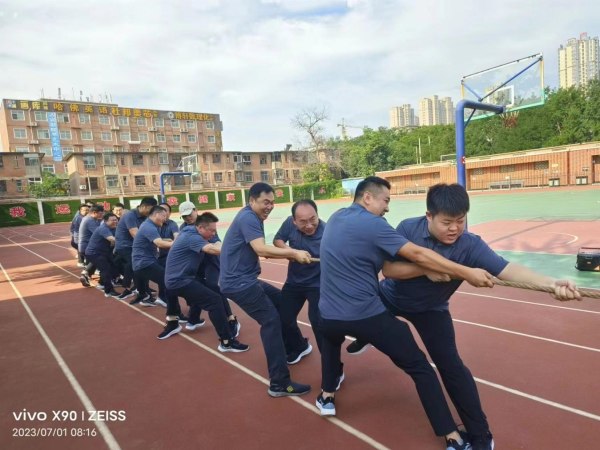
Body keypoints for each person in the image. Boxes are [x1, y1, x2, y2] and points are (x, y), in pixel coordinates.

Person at [347, 183, 581, 450]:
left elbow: (507, 269)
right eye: (447, 222)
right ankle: (365, 335)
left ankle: (480, 434)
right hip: (390, 298)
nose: (454, 229)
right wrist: (426, 269)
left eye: (460, 221)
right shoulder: (408, 229)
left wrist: (550, 283)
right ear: (429, 216)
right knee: (350, 312)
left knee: (452, 367)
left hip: (432, 310)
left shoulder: (470, 245)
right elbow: (389, 270)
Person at [316, 176, 496, 450]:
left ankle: (326, 396)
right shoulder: (375, 224)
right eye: (385, 200)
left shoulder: (336, 217)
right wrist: (465, 272)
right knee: (421, 368)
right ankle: (453, 437)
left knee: (330, 340)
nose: (388, 207)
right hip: (367, 317)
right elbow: (417, 255)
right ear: (368, 198)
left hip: (327, 316)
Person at [220, 182, 313, 397]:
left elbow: (260, 250)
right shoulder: (248, 218)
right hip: (239, 284)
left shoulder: (253, 217)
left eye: (272, 202)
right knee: (270, 321)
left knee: (282, 302)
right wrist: (294, 253)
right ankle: (279, 383)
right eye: (265, 202)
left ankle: (297, 346)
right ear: (252, 200)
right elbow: (261, 249)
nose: (269, 206)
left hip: (247, 279)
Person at [161, 212, 249, 351]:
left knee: (205, 289)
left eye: (215, 231)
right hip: (179, 281)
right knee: (215, 301)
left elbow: (215, 243)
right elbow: (212, 249)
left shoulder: (188, 230)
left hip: (179, 279)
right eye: (211, 231)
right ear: (200, 228)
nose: (213, 234)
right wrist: (240, 248)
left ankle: (186, 320)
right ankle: (227, 341)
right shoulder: (192, 237)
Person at [273, 199, 325, 365]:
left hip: (317, 285)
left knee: (318, 323)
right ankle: (299, 346)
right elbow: (278, 240)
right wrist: (291, 252)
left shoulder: (328, 232)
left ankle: (332, 367)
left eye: (313, 219)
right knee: (283, 318)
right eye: (303, 222)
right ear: (294, 221)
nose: (309, 225)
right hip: (294, 283)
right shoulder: (289, 223)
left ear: (317, 215)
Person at [179, 201, 239, 336]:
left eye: (189, 214)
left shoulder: (206, 223)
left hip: (211, 262)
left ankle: (231, 318)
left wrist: (224, 249)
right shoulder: (183, 228)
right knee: (196, 288)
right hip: (196, 264)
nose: (187, 218)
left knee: (212, 286)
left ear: (196, 210)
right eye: (184, 216)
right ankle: (194, 317)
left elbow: (216, 241)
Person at [131, 205, 177, 307]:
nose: (165, 218)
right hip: (144, 263)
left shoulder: (149, 225)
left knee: (166, 281)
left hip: (142, 262)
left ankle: (143, 294)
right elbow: (159, 243)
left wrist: (167, 240)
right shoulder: (149, 227)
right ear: (156, 214)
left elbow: (155, 240)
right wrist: (179, 244)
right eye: (163, 216)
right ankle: (173, 311)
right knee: (169, 282)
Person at [113, 197, 158, 301]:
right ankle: (143, 293)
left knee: (133, 266)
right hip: (125, 246)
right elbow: (135, 234)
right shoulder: (130, 215)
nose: (151, 213)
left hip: (135, 246)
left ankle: (134, 289)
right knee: (141, 265)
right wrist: (156, 241)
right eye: (150, 210)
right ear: (143, 206)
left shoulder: (145, 217)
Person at [85, 213, 120, 298]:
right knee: (106, 270)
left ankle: (102, 283)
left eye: (116, 220)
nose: (115, 222)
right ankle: (108, 291)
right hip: (94, 253)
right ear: (105, 221)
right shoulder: (103, 229)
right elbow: (111, 239)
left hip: (104, 252)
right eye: (112, 220)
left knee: (113, 266)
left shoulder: (114, 228)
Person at [156, 202, 180, 307]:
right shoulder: (152, 224)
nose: (163, 212)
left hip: (167, 256)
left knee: (167, 279)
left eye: (165, 210)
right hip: (153, 256)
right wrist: (164, 241)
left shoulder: (172, 224)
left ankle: (163, 298)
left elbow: (177, 237)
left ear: (169, 213)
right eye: (160, 210)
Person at [79, 204, 104, 287]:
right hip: (87, 246)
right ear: (94, 212)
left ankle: (86, 276)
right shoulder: (89, 220)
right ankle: (85, 274)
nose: (101, 215)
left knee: (94, 261)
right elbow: (99, 233)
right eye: (100, 213)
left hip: (87, 245)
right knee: (98, 258)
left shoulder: (90, 218)